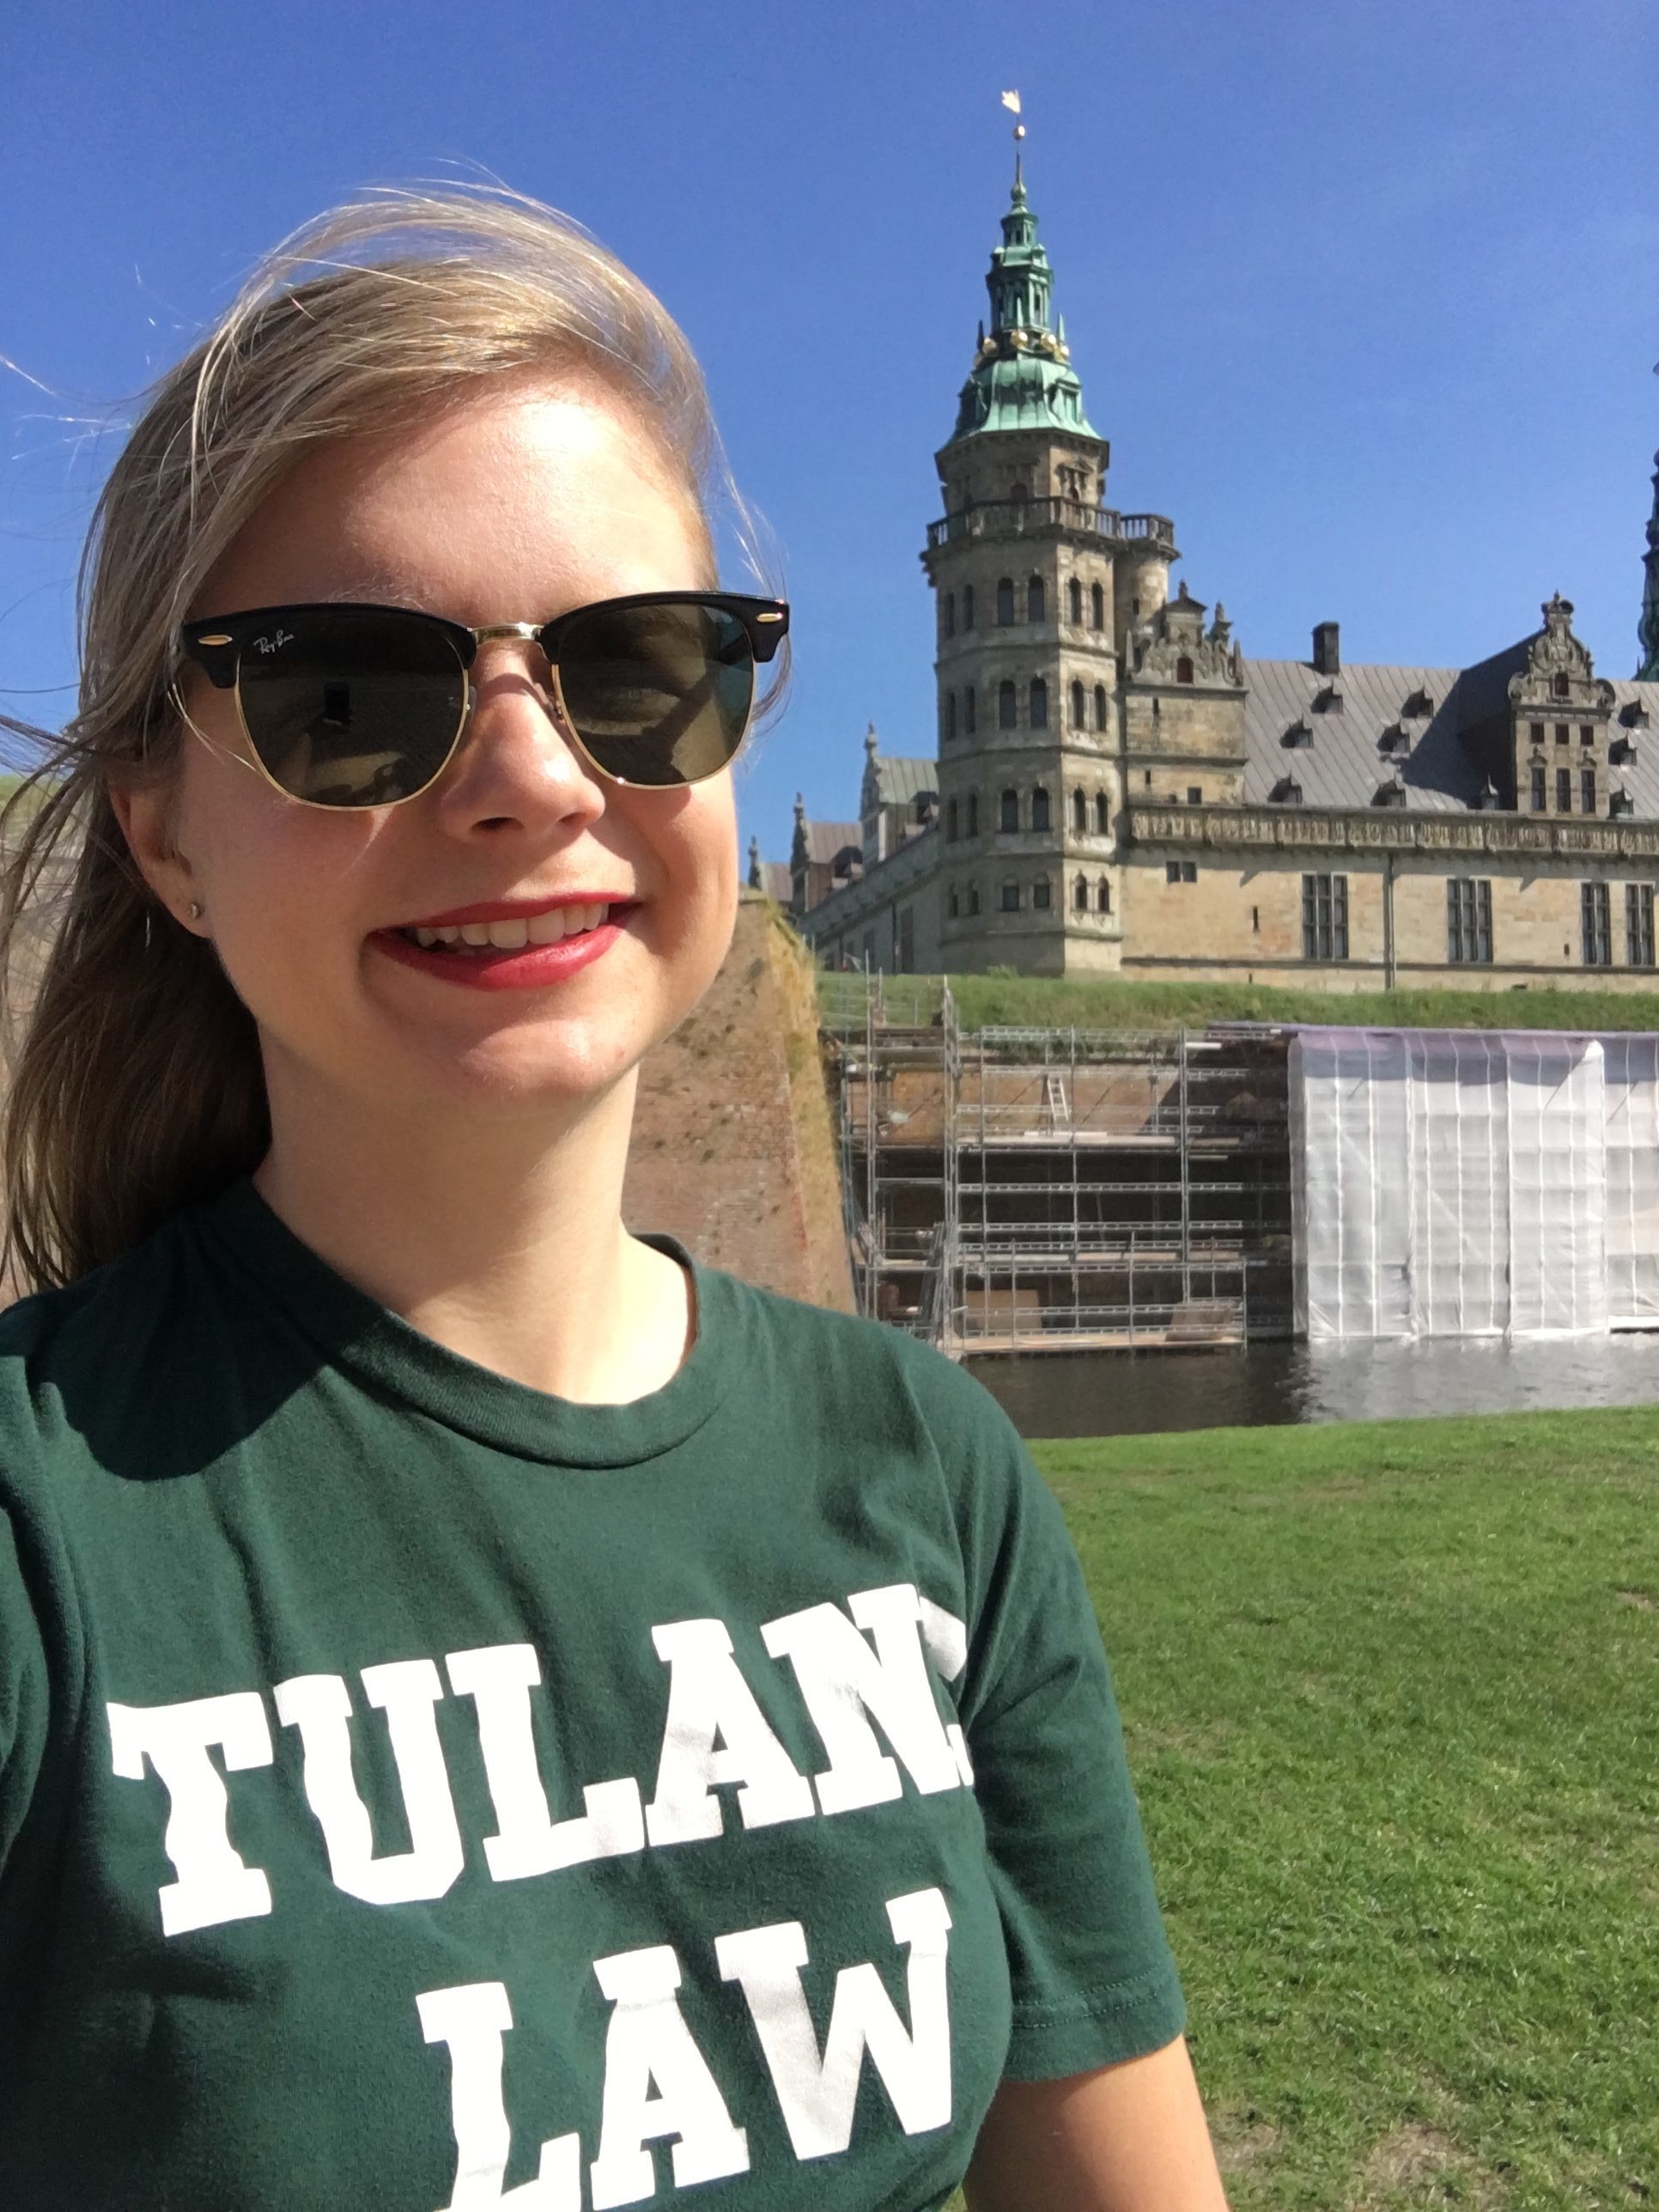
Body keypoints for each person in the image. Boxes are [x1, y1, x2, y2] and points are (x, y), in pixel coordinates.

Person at [0, 187, 1230, 2211]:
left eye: (641, 667)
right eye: (344, 692)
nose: (534, 777)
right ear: (164, 830)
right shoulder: (43, 1540)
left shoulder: (932, 1471)